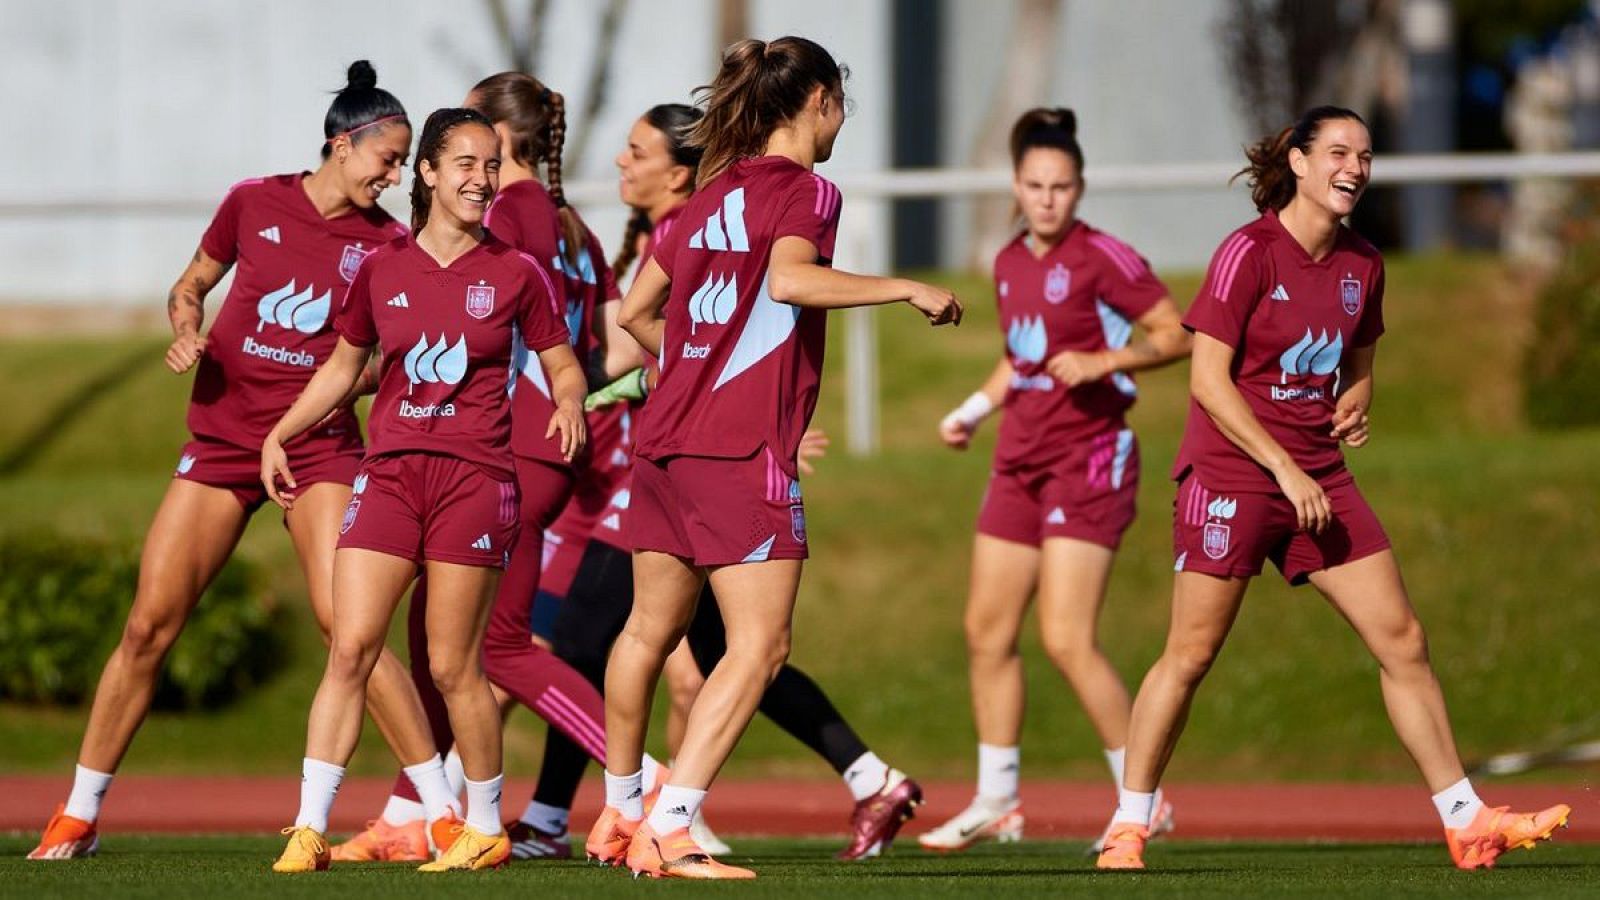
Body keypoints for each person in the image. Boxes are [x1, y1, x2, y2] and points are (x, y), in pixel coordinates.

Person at [1093, 106, 1572, 871]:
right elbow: (1208, 382)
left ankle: (1465, 818)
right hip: (1233, 477)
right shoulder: (1246, 253)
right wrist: (1280, 467)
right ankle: (1128, 826)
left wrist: (1356, 400)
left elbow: (1357, 362)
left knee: (1403, 640)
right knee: (1190, 654)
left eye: (1367, 155)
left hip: (1319, 479)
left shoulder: (1363, 265)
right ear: (1300, 162)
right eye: (1339, 152)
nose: (1355, 167)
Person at [27, 62, 436, 862]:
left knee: (346, 627)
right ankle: (77, 815)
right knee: (148, 627)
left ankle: (446, 808)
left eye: (401, 163)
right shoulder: (254, 201)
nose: (394, 177)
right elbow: (191, 285)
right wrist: (186, 325)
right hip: (221, 444)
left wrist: (348, 384)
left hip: (317, 448)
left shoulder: (390, 243)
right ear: (341, 144)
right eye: (386, 159)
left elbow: (390, 359)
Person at [587, 37, 962, 880]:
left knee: (648, 629)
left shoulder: (712, 192)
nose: (840, 124)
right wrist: (903, 287)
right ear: (820, 100)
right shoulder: (806, 191)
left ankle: (618, 810)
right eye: (840, 108)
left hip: (665, 442)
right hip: (736, 451)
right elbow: (792, 282)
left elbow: (639, 312)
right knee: (758, 647)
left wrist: (687, 367)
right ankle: (670, 827)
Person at [328, 72, 638, 866]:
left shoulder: (519, 215)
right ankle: (417, 811)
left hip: (505, 447)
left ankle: (647, 792)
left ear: (499, 142)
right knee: (448, 644)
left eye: (475, 144)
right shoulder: (574, 225)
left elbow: (496, 314)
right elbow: (618, 342)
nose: (469, 165)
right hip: (525, 444)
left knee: (490, 651)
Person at [267, 107, 586, 874]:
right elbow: (346, 367)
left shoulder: (517, 271)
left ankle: (481, 826)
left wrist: (570, 398)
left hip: (476, 479)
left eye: (492, 165)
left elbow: (561, 359)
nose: (482, 179)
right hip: (388, 475)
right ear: (431, 175)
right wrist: (283, 430)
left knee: (454, 667)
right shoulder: (382, 266)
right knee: (350, 647)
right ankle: (308, 826)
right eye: (466, 164)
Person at [920, 108, 1191, 854]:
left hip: (1090, 457)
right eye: (1035, 185)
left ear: (1079, 188)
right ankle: (998, 798)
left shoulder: (1106, 257)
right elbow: (1022, 356)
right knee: (986, 632)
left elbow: (1177, 333)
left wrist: (1108, 362)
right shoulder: (1008, 262)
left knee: (1067, 637)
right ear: (1016, 186)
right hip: (1019, 458)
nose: (1048, 199)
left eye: (1062, 186)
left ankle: (1145, 800)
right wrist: (972, 410)